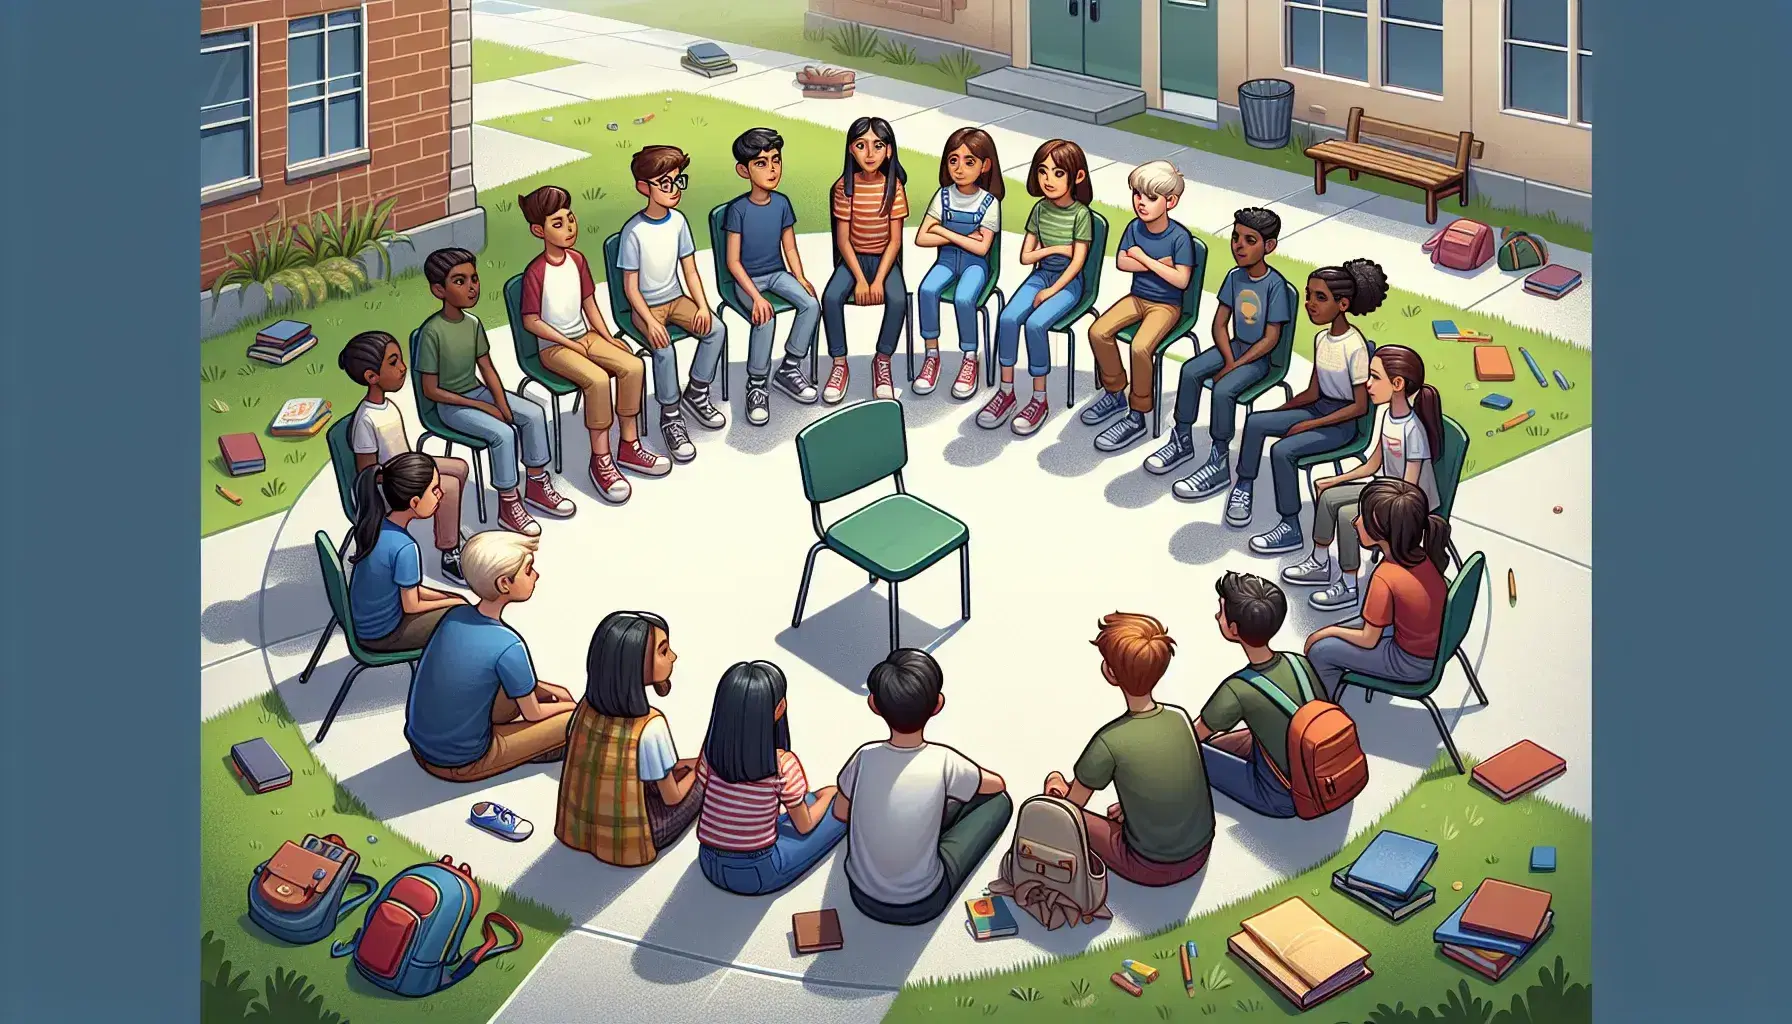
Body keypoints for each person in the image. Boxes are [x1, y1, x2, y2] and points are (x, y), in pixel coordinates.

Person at [835, 648, 1012, 926]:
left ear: (874, 705)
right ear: (937, 704)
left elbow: (841, 812)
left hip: (861, 894)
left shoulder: (864, 757)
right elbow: (996, 784)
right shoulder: (944, 761)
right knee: (999, 801)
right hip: (924, 902)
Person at [516, 184, 667, 504]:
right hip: (553, 348)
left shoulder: (578, 260)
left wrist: (607, 336)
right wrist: (566, 343)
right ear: (537, 230)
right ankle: (601, 461)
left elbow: (589, 303)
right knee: (597, 380)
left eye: (570, 219)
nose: (569, 227)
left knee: (633, 365)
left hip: (585, 337)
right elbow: (532, 322)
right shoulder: (535, 272)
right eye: (558, 223)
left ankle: (629, 445)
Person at [1042, 613, 1214, 886]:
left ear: (1110, 672)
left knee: (1056, 806)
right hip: (1201, 851)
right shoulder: (1180, 717)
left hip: (1149, 865)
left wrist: (1056, 787)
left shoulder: (1109, 741)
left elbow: (1072, 805)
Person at [1228, 260, 1384, 553]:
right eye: (1309, 295)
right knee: (1256, 422)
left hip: (1342, 423)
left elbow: (1360, 408)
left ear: (1343, 304)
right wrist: (1279, 414)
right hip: (1320, 408)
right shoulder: (1321, 338)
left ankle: (1290, 527)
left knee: (1282, 450)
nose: (1310, 304)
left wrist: (1307, 425)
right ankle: (1244, 486)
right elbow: (1313, 391)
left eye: (1320, 298)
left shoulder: (1355, 346)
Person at [417, 247, 575, 537]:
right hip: (451, 406)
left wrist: (501, 404)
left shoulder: (473, 324)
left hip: (477, 393)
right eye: (460, 281)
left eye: (474, 278)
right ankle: (508, 505)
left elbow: (487, 369)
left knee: (533, 413)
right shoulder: (432, 333)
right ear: (439, 290)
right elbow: (431, 390)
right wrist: (484, 409)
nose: (471, 287)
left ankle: (537, 485)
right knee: (503, 434)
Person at [404, 532, 579, 782]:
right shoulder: (509, 644)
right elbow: (533, 714)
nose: (536, 575)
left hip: (421, 746)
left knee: (510, 689)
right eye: (528, 570)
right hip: (461, 762)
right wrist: (573, 706)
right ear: (504, 584)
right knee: (572, 720)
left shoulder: (455, 615)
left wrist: (544, 688)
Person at [1282, 345, 1445, 611]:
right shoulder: (1387, 415)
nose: (1368, 384)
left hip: (1406, 503)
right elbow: (1373, 464)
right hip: (1386, 489)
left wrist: (1371, 506)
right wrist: (1334, 481)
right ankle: (1320, 562)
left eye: (1375, 377)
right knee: (1330, 498)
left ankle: (1348, 585)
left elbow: (1410, 489)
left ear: (1398, 383)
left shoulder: (1413, 430)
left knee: (1350, 516)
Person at [1142, 209, 1293, 490]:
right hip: (1233, 348)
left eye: (1250, 240)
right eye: (1236, 237)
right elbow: (1220, 324)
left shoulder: (1275, 285)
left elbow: (1271, 339)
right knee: (1190, 370)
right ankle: (1182, 438)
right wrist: (1228, 357)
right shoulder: (1235, 277)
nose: (1239, 245)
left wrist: (1234, 366)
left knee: (1224, 390)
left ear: (1269, 246)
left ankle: (1219, 460)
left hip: (1260, 358)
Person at [555, 610, 704, 867]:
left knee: (684, 768)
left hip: (577, 830)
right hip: (629, 838)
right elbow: (673, 797)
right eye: (663, 650)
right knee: (704, 778)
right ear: (635, 664)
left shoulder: (586, 708)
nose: (673, 656)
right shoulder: (650, 727)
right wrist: (701, 768)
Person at [695, 660, 845, 896]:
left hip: (707, 860)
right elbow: (804, 826)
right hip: (756, 872)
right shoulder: (782, 763)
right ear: (779, 707)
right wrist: (829, 796)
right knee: (836, 808)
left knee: (806, 801)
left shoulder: (711, 751)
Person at [618, 145, 730, 463]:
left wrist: (703, 306)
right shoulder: (633, 232)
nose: (674, 190)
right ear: (644, 188)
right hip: (645, 307)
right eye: (665, 183)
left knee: (716, 329)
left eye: (678, 181)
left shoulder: (679, 222)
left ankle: (696, 391)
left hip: (675, 299)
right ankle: (670, 415)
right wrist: (651, 323)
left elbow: (690, 270)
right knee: (663, 348)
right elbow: (629, 289)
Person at [980, 139, 1093, 437]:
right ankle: (1006, 392)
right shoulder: (1040, 209)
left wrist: (1052, 291)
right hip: (1041, 275)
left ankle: (1039, 399)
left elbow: (1077, 263)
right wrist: (1054, 248)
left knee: (1035, 324)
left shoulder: (1081, 215)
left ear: (1077, 177)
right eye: (1043, 172)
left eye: (1058, 173)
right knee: (1007, 318)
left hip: (1068, 284)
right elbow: (1026, 256)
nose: (1048, 180)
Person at [1082, 161, 1196, 453]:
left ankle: (1138, 414)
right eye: (1137, 195)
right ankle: (1115, 391)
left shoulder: (1180, 237)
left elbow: (1181, 281)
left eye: (1151, 197)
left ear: (1171, 201)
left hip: (1167, 306)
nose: (1141, 203)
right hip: (1137, 298)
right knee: (1098, 331)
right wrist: (1160, 265)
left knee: (1140, 347)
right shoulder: (1134, 228)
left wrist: (1144, 259)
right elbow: (1122, 262)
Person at [338, 330, 468, 584]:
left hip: (407, 471)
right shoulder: (366, 419)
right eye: (393, 362)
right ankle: (449, 553)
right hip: (388, 487)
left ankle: (447, 527)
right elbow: (368, 472)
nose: (402, 367)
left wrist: (416, 468)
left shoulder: (389, 406)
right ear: (371, 377)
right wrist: (408, 476)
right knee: (448, 485)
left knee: (459, 468)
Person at [1305, 479, 1450, 698]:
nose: (1355, 522)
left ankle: (1325, 709)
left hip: (1411, 663)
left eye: (1363, 516)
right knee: (1346, 628)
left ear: (1381, 529)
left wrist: (1324, 633)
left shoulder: (1385, 576)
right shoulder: (1422, 555)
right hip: (1433, 647)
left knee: (1320, 650)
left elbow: (1368, 639)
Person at [1195, 572, 1322, 819]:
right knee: (1230, 740)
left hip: (1283, 798)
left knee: (1194, 755)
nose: (1216, 616)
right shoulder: (1298, 662)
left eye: (1220, 612)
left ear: (1233, 629)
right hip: (1321, 774)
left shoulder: (1238, 688)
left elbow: (1190, 738)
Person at [723, 127, 822, 423]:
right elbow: (732, 262)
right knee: (765, 315)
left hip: (777, 273)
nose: (772, 168)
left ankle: (790, 367)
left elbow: (789, 247)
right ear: (744, 170)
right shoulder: (737, 210)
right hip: (747, 280)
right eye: (761, 163)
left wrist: (800, 277)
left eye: (775, 160)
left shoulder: (782, 203)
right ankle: (756, 384)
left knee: (810, 304)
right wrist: (755, 297)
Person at [821, 116, 910, 404]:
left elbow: (895, 241)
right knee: (831, 297)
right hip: (853, 259)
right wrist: (860, 279)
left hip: (885, 259)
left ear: (889, 151)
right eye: (861, 145)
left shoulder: (893, 187)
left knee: (898, 300)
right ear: (850, 150)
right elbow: (843, 240)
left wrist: (879, 279)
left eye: (878, 145)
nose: (870, 153)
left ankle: (882, 360)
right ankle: (839, 363)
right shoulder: (843, 187)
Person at [345, 453, 470, 653]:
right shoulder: (405, 547)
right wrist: (455, 602)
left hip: (365, 624)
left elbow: (410, 591)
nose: (441, 494)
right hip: (383, 635)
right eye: (434, 490)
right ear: (414, 502)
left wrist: (449, 597)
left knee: (458, 606)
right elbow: (411, 606)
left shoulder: (379, 525)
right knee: (461, 620)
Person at [912, 127, 1003, 400]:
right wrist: (963, 237)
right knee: (927, 290)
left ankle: (969, 357)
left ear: (985, 166)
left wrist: (944, 231)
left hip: (977, 266)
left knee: (965, 298)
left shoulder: (990, 202)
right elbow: (921, 238)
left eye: (969, 161)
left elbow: (982, 247)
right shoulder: (943, 196)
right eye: (953, 160)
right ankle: (932, 355)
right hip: (947, 261)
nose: (959, 168)